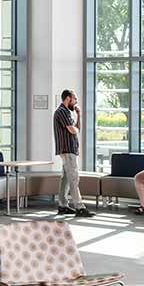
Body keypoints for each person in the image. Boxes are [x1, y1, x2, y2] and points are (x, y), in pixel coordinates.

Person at [53, 89, 91, 217]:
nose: (76, 102)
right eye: (75, 99)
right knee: (74, 178)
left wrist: (79, 115)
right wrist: (75, 128)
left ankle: (62, 205)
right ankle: (79, 207)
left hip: (70, 150)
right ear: (68, 98)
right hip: (67, 150)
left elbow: (77, 129)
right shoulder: (62, 112)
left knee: (66, 179)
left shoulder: (67, 113)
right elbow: (73, 130)